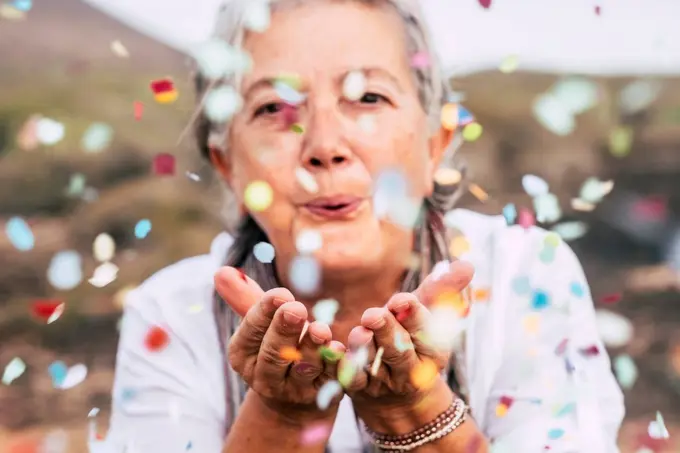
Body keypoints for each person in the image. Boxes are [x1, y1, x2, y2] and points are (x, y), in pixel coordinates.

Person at [99, 0, 625, 451]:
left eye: (369, 97)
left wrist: (416, 410)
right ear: (227, 165)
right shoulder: (170, 314)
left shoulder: (525, 274)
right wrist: (283, 418)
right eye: (273, 107)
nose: (325, 146)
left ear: (435, 143)